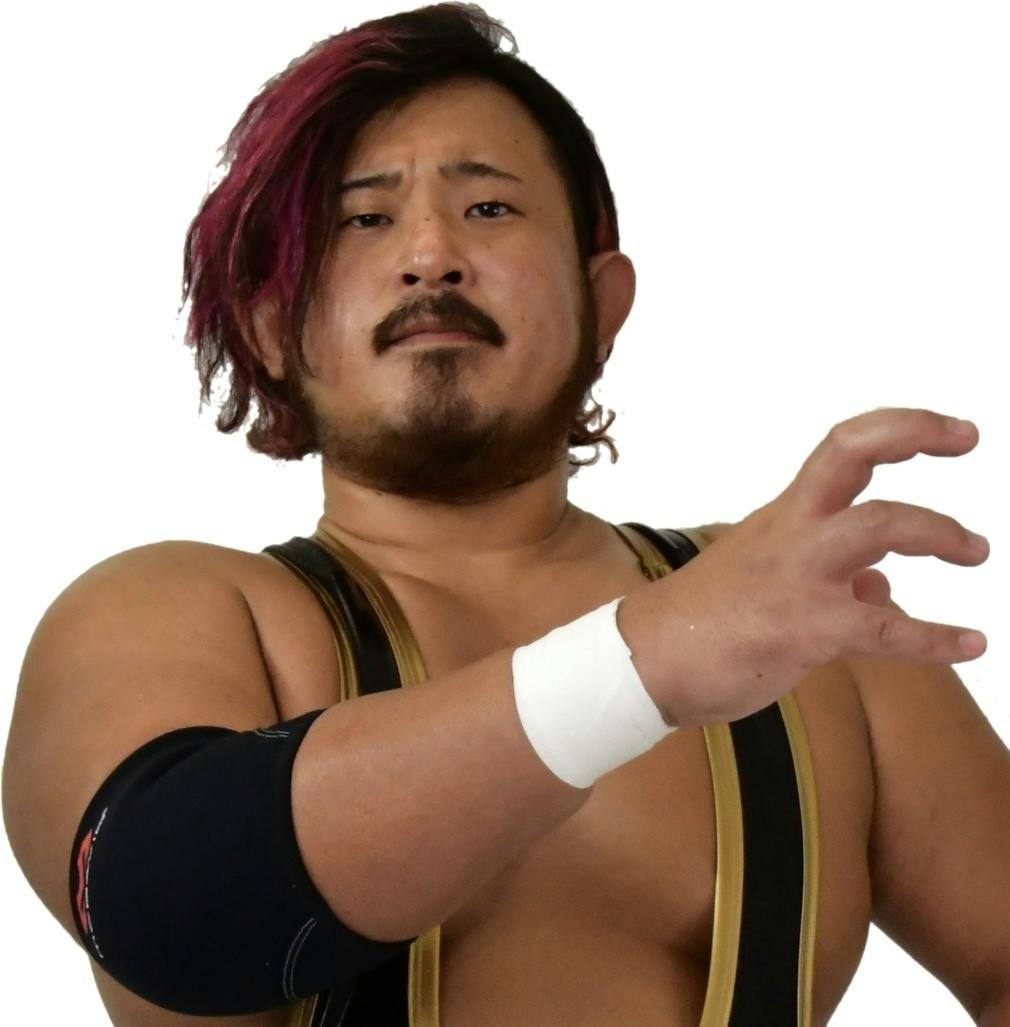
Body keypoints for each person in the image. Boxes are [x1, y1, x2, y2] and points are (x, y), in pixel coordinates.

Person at [2, 3, 1007, 1025]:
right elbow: (161, 903)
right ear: (269, 327)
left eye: (488, 208)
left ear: (602, 303)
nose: (430, 255)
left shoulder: (817, 632)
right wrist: (644, 660)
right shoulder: (166, 611)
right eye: (363, 219)